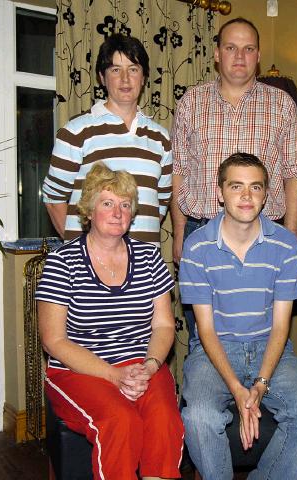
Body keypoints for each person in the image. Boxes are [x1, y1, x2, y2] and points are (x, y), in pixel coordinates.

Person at [179, 153, 297, 480]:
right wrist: (237, 388)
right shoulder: (197, 246)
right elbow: (205, 330)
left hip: (270, 348)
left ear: (266, 194)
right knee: (199, 416)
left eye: (255, 187)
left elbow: (281, 329)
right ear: (220, 192)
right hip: (214, 348)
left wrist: (259, 385)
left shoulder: (286, 245)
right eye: (236, 186)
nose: (246, 196)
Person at [36, 162, 184, 480]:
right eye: (108, 203)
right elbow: (54, 341)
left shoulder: (149, 258)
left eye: (125, 205)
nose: (118, 212)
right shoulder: (63, 262)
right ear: (89, 210)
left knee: (164, 418)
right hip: (80, 369)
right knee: (121, 421)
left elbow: (163, 326)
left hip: (141, 362)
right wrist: (113, 376)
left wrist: (151, 365)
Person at [171, 16, 297, 264]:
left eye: (249, 49)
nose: (240, 56)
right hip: (201, 232)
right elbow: (178, 170)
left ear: (258, 55)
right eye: (231, 48)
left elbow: (294, 174)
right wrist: (179, 233)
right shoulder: (191, 102)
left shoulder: (282, 104)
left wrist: (291, 237)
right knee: (199, 304)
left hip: (264, 235)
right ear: (217, 54)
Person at [43, 33, 172, 246]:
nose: (125, 79)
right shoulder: (76, 131)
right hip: (90, 268)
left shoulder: (161, 138)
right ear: (102, 78)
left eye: (133, 69)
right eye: (115, 70)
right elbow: (53, 198)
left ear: (144, 77)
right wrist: (78, 251)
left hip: (145, 267)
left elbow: (159, 204)